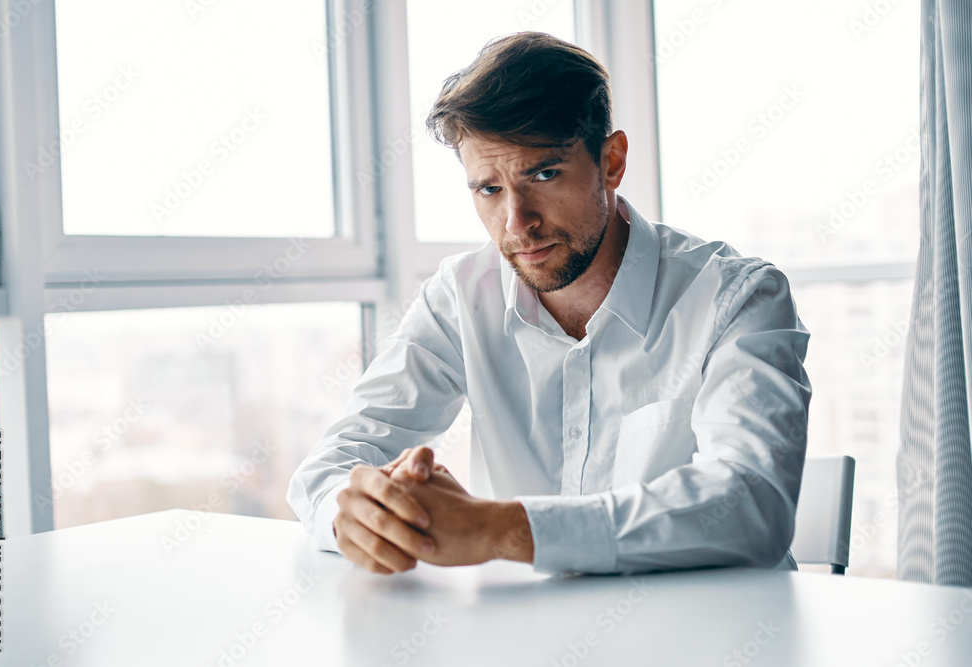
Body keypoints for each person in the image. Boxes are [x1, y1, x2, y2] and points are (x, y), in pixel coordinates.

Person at [287, 31, 810, 576]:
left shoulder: (739, 298)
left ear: (611, 162)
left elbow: (753, 504)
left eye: (543, 174)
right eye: (488, 189)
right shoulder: (460, 297)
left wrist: (497, 528)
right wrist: (361, 513)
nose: (516, 224)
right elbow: (334, 463)